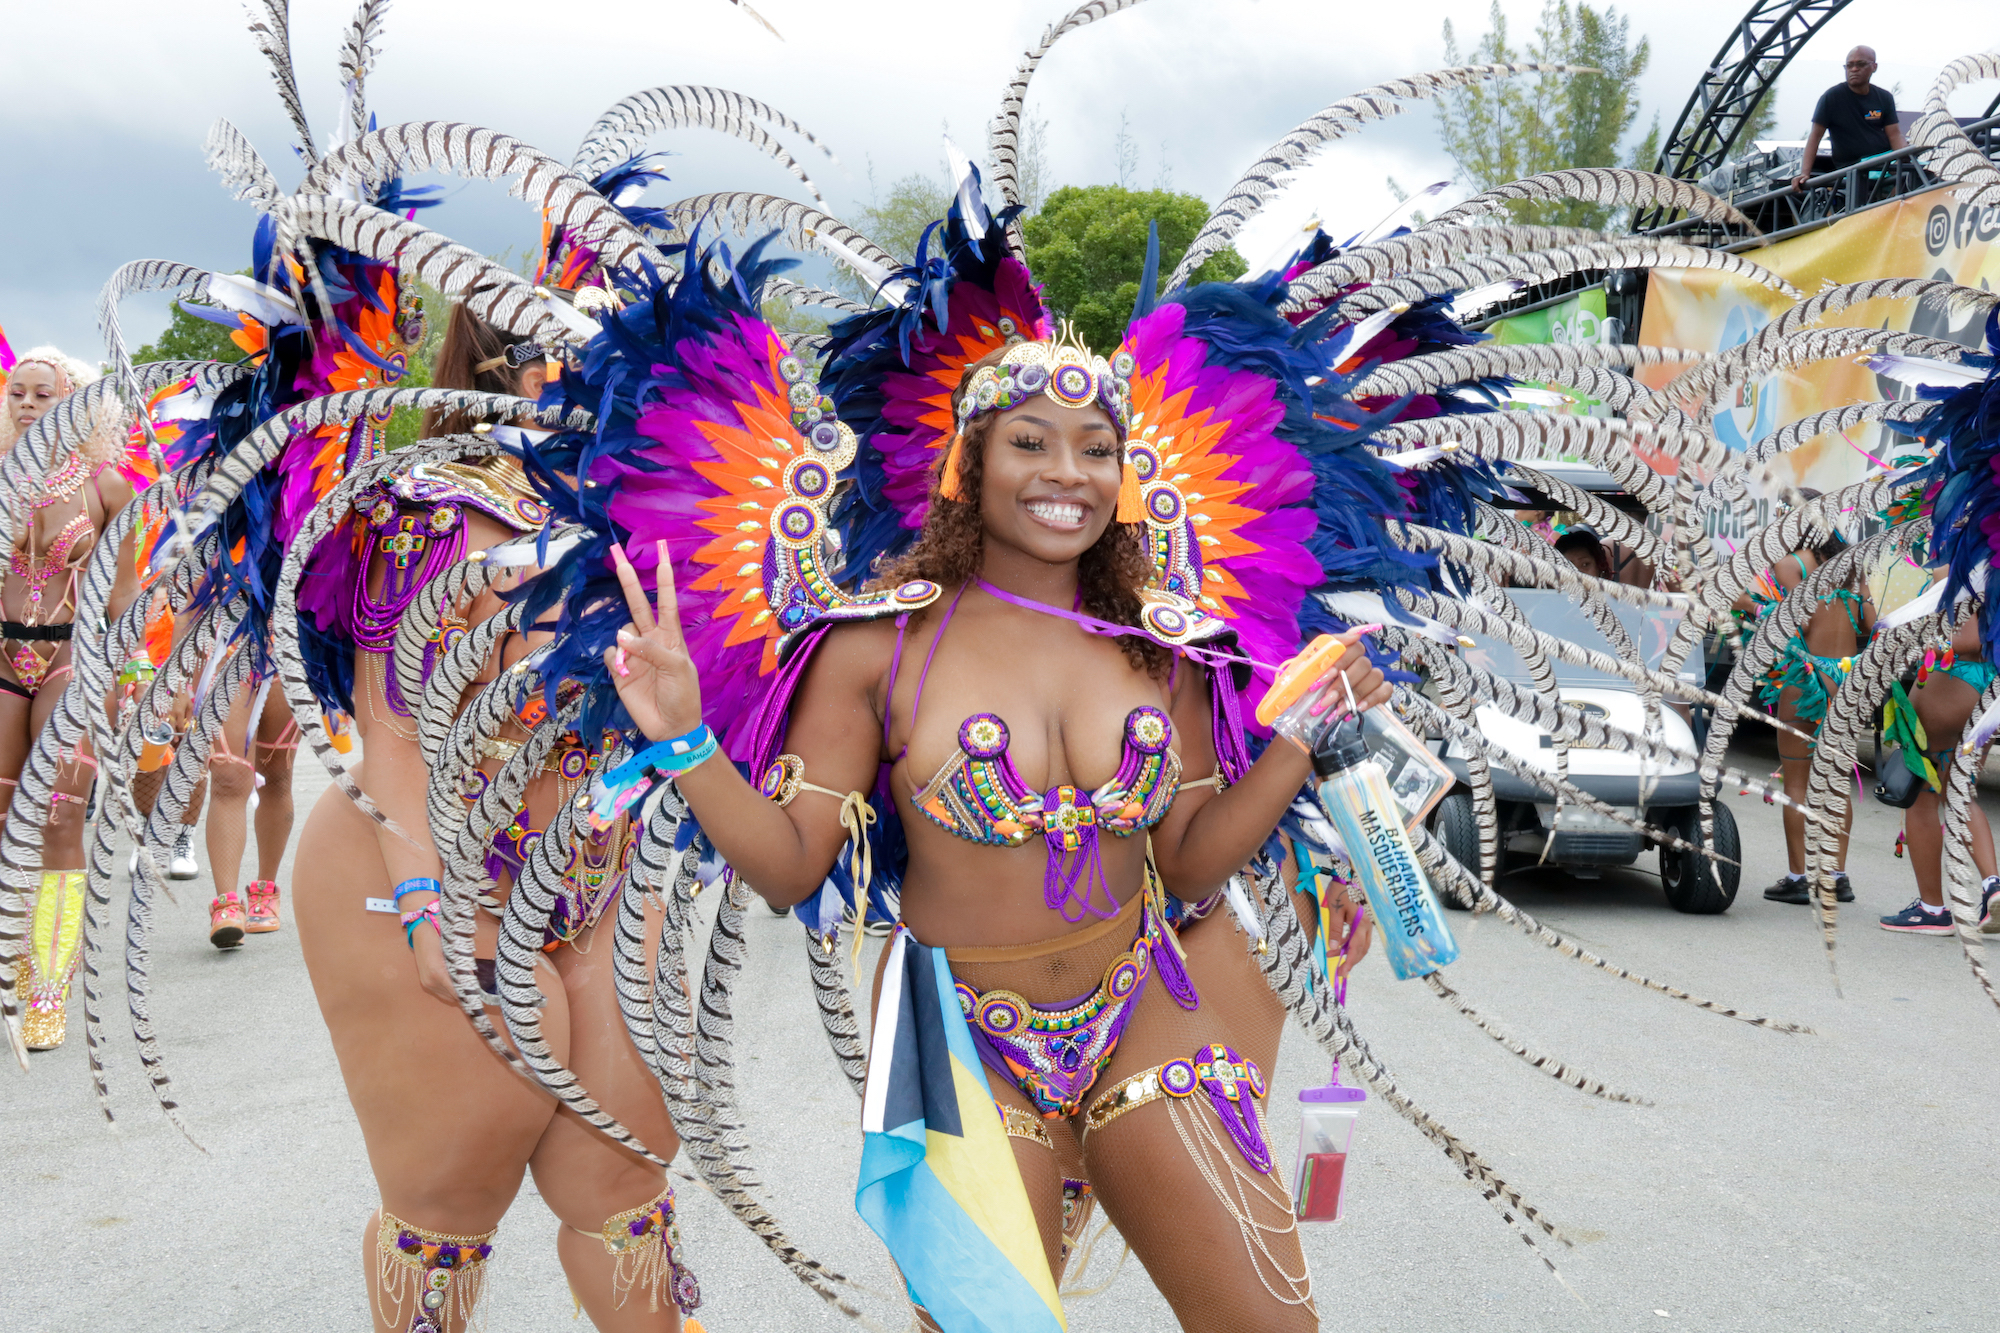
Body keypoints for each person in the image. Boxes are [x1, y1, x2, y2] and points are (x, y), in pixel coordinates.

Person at [598, 304, 1388, 1330]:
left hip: (1143, 1004)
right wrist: (684, 739)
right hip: (953, 1027)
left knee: (1270, 1319)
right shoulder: (873, 647)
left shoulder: (1168, 646)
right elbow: (792, 867)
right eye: (1029, 442)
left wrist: (1294, 743)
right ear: (964, 467)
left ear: (1124, 475)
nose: (1067, 472)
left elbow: (1188, 865)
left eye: (1096, 450)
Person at [292, 304, 696, 1332]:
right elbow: (389, 732)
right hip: (425, 871)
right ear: (514, 371)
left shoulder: (660, 508)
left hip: (599, 883)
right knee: (449, 1197)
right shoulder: (433, 509)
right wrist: (426, 895)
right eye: (595, 357)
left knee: (628, 1183)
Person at [1, 347, 139, 1050]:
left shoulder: (107, 487)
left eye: (43, 394)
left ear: (76, 404)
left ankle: (49, 982)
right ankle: (12, 958)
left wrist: (133, 682)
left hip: (71, 662)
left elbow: (123, 600)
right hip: (0, 657)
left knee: (58, 818)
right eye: (17, 392)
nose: (26, 404)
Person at [1747, 511, 1874, 906]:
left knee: (1798, 782)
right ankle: (1836, 877)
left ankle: (1800, 877)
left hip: (1807, 678)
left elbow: (1783, 620)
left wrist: (1745, 603)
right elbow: (1870, 625)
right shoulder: (1852, 568)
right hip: (1847, 679)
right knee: (1837, 783)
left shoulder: (1791, 564)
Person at [1878, 613, 2000, 934]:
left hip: (1956, 681)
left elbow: (1967, 638)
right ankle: (1993, 887)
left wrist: (1914, 642)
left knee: (1920, 795)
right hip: (1982, 684)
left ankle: (1931, 909)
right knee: (1959, 794)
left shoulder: (1972, 566)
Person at [198, 674, 297, 948]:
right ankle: (226, 904)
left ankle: (265, 890)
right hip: (228, 653)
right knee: (228, 777)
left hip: (288, 652)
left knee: (277, 774)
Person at [1792, 46, 1905, 190]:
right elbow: (1814, 137)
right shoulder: (1831, 98)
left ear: (1874, 67)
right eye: (1849, 65)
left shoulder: (1884, 97)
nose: (1854, 69)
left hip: (1884, 162)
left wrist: (1906, 157)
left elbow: (1894, 134)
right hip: (1852, 169)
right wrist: (1805, 174)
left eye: (1860, 64)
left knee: (1917, 176)